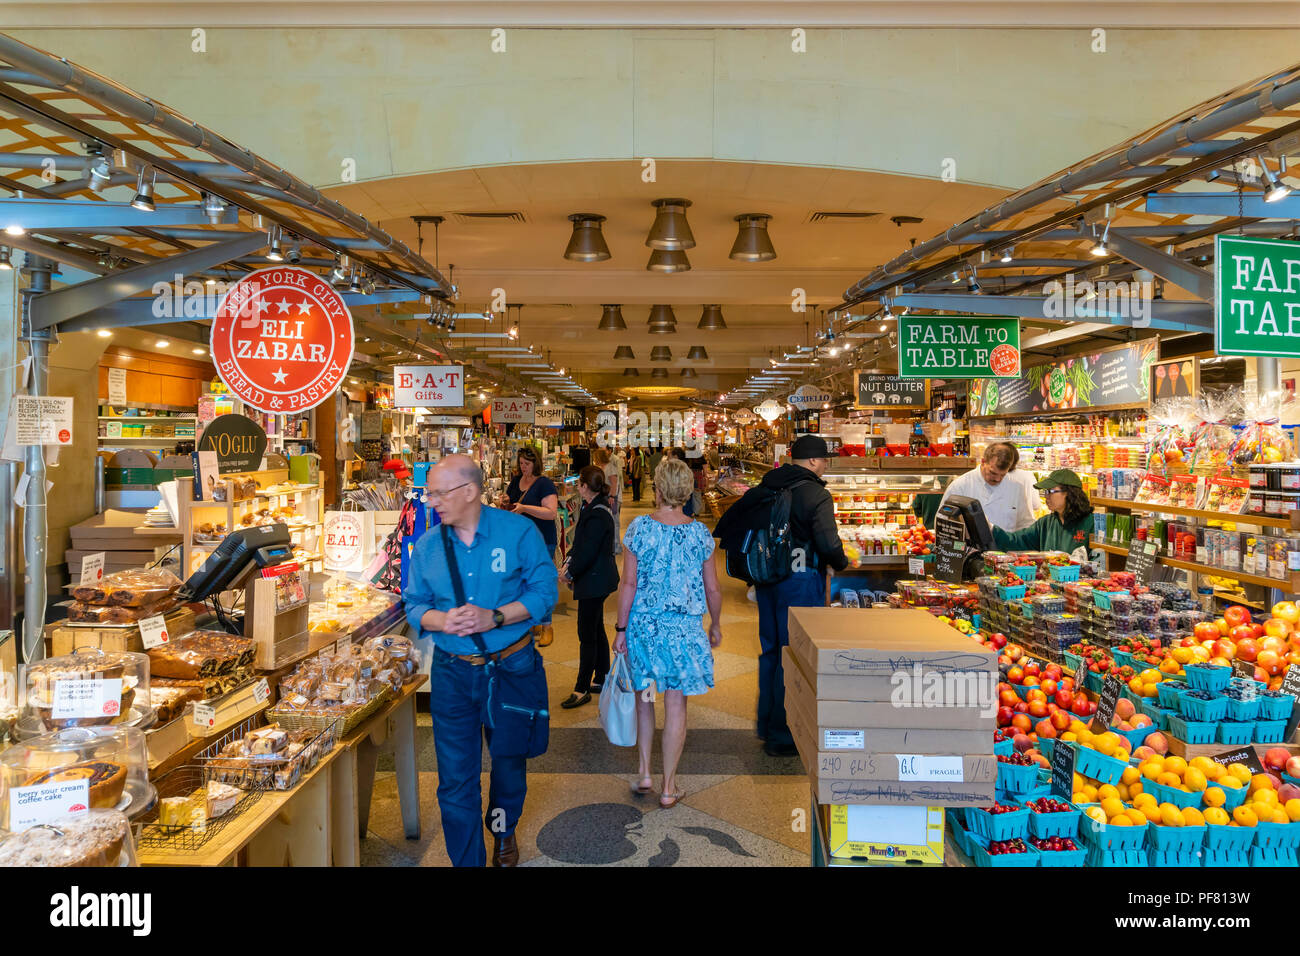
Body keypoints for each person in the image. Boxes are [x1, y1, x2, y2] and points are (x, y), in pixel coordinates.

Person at [402, 455, 558, 867]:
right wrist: (442, 619)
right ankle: (466, 861)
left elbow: (546, 593)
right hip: (452, 673)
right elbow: (414, 605)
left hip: (511, 667)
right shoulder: (430, 546)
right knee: (455, 781)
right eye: (429, 492)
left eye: (437, 492)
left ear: (468, 491)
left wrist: (497, 615)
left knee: (508, 766)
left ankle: (503, 832)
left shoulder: (518, 532)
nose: (431, 500)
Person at [714, 434, 847, 756]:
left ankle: (767, 723)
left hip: (768, 581)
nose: (825, 464)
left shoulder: (768, 485)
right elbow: (828, 543)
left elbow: (730, 523)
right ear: (814, 461)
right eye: (824, 459)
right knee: (795, 655)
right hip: (800, 582)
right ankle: (785, 734)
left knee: (771, 651)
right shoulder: (816, 494)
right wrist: (841, 562)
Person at [614, 457, 723, 808]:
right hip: (684, 631)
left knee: (645, 699)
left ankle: (645, 771)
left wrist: (620, 628)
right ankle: (668, 786)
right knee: (676, 705)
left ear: (657, 489)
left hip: (644, 627)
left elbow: (628, 584)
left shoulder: (638, 529)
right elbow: (713, 589)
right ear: (687, 491)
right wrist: (716, 623)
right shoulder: (700, 534)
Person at [560, 465, 619, 708]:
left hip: (595, 580)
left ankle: (581, 687)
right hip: (598, 578)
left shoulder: (597, 513)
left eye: (579, 484)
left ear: (585, 486)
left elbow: (588, 549)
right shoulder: (594, 506)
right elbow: (581, 544)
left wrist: (570, 572)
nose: (577, 487)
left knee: (587, 633)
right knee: (595, 628)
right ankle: (602, 676)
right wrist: (568, 560)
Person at [502, 446, 560, 646]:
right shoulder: (517, 481)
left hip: (543, 540)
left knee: (542, 583)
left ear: (535, 463)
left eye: (526, 464)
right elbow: (511, 499)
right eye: (520, 464)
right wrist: (506, 501)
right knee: (525, 582)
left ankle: (547, 626)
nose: (523, 467)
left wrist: (525, 508)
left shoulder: (544, 484)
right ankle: (533, 620)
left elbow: (551, 512)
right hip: (521, 541)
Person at [938, 441, 1037, 533]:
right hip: (971, 550)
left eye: (1003, 475)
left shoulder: (1017, 488)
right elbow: (942, 521)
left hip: (1006, 550)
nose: (997, 479)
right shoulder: (960, 486)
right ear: (983, 461)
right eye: (993, 473)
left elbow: (1026, 525)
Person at [992, 469, 1095, 555]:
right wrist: (991, 528)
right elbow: (1016, 541)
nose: (1046, 496)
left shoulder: (1091, 523)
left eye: (1050, 491)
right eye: (1045, 491)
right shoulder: (1046, 524)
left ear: (1069, 493)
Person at [594, 446, 623, 552]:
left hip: (612, 498)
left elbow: (614, 483)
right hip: (607, 498)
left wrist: (612, 496)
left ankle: (616, 546)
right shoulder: (603, 467)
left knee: (614, 522)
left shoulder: (610, 467)